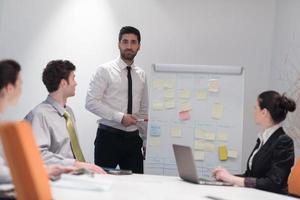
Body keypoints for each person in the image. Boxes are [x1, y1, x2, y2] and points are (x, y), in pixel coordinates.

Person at [86, 26, 148, 174]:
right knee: (104, 187)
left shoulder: (142, 75)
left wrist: (146, 140)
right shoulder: (104, 70)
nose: (129, 46)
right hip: (108, 139)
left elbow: (144, 111)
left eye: (133, 42)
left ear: (139, 46)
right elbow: (91, 102)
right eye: (125, 41)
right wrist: (120, 117)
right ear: (118, 44)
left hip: (133, 141)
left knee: (136, 189)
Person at [0, 59, 74, 184]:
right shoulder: (38, 114)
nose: (21, 90)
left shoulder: (69, 112)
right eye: (20, 84)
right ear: (9, 88)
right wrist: (43, 171)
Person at [25, 60, 105, 174]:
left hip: (75, 174)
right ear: (63, 83)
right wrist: (74, 164)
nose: (75, 83)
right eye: (73, 78)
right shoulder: (39, 114)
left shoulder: (68, 112)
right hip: (58, 179)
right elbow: (38, 155)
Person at [213, 90, 295, 194]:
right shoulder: (263, 139)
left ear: (264, 112)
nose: (254, 111)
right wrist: (226, 177)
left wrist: (231, 179)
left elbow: (273, 184)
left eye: (256, 108)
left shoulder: (283, 142)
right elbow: (251, 176)